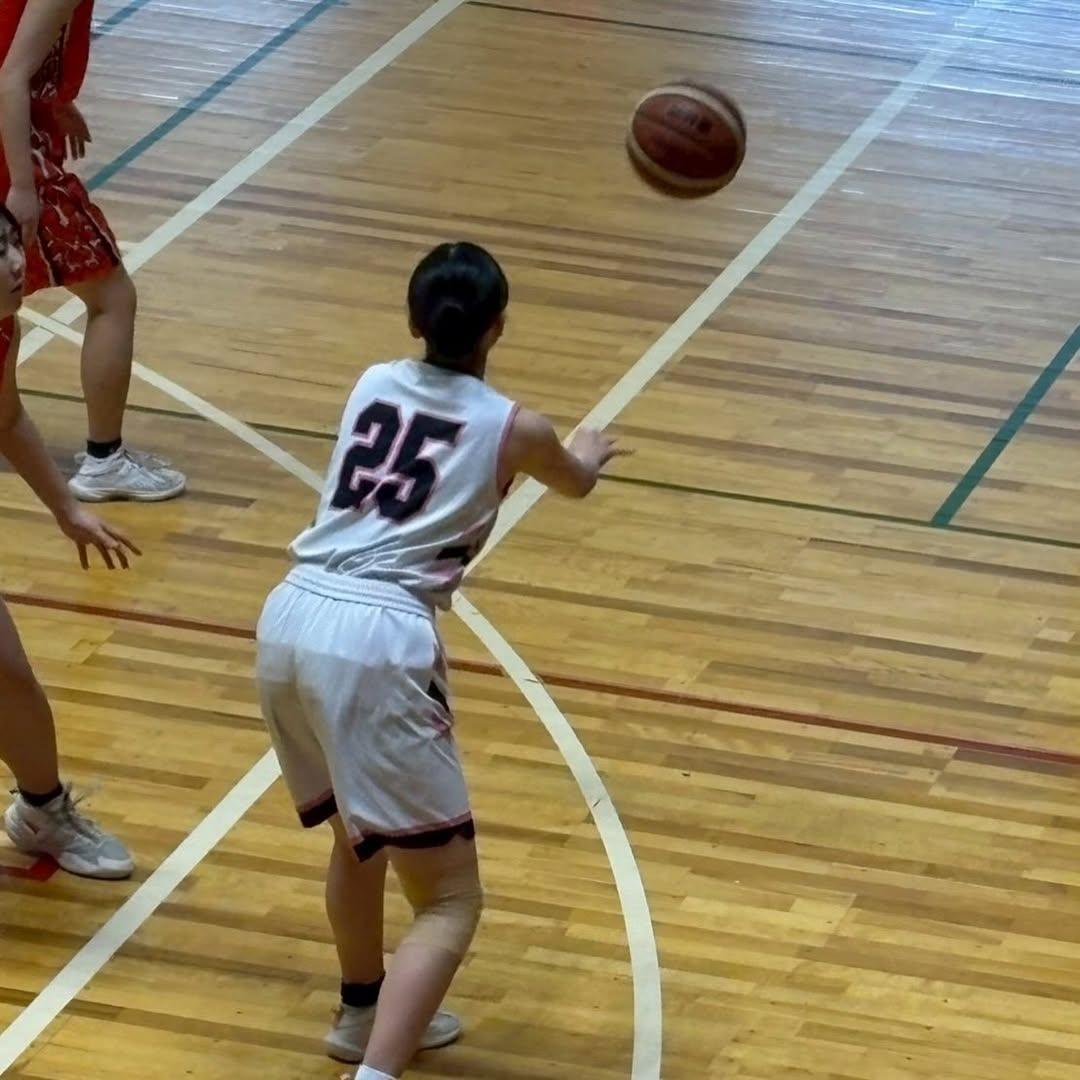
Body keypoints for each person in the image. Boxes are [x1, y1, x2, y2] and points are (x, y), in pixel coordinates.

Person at [256, 242, 622, 1078]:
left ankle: (361, 1013)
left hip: (290, 614)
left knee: (360, 841)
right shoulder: (517, 427)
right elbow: (572, 480)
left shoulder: (371, 382)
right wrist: (587, 451)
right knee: (451, 900)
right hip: (377, 639)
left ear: (413, 319)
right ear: (499, 327)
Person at [0, 203, 138, 879]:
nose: (15, 264)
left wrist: (67, 508)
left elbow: (5, 417)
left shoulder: (3, 326)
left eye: (12, 245)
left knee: (8, 676)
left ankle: (42, 811)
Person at [0, 0, 185, 502]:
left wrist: (53, 100)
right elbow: (10, 76)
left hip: (17, 129)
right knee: (112, 297)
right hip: (16, 155)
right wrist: (23, 184)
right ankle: (105, 460)